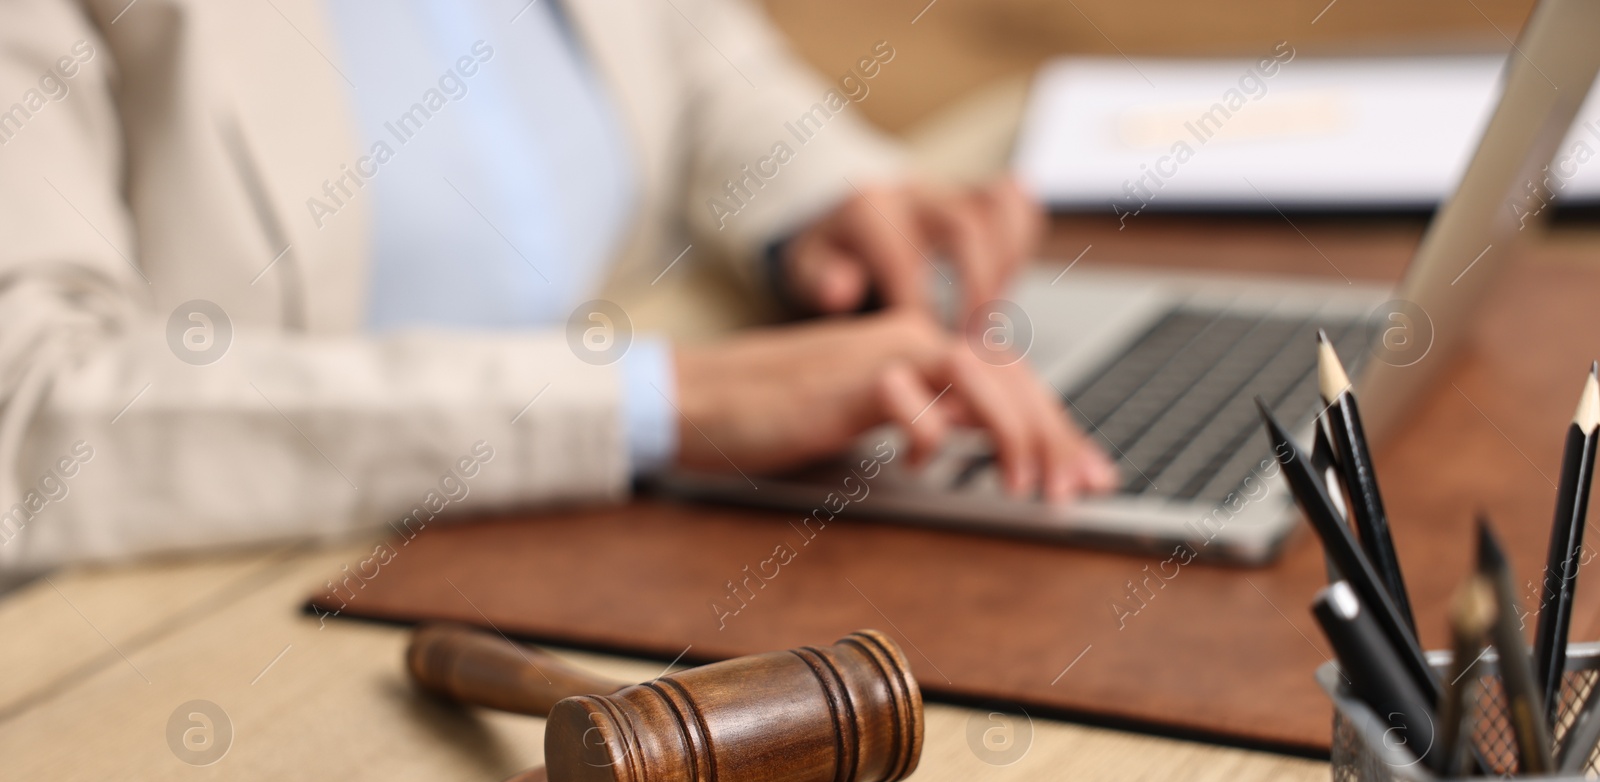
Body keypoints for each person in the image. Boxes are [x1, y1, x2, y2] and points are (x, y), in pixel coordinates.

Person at [0, 0, 1113, 576]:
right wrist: (657, 402)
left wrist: (820, 188)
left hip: (597, 515)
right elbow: (36, 405)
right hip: (217, 596)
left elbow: (690, 55)